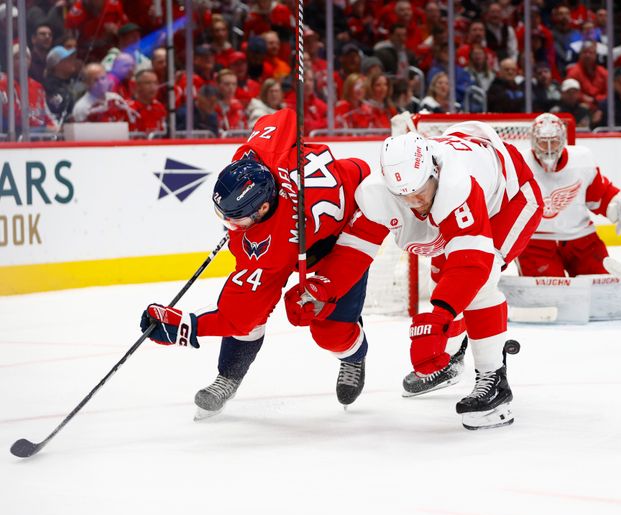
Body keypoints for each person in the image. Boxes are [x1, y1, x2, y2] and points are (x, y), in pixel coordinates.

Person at [283, 124, 544, 430]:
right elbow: (356, 248)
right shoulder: (378, 190)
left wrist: (438, 316)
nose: (415, 203)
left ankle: (494, 381)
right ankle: (452, 357)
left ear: (434, 172)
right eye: (403, 196)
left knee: (478, 286)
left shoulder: (457, 183)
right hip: (467, 183)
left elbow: (471, 264)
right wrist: (321, 287)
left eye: (420, 192)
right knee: (447, 282)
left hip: (509, 200)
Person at [139, 108, 372, 418]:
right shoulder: (257, 157)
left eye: (237, 218)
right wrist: (258, 157)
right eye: (223, 216)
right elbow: (288, 115)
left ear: (263, 208)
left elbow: (238, 317)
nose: (229, 225)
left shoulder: (273, 246)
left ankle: (353, 356)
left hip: (348, 230)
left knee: (329, 332)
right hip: (322, 204)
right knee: (255, 310)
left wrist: (187, 327)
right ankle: (229, 377)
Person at [517, 114, 621, 277]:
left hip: (581, 239)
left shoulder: (581, 159)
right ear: (534, 142)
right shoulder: (519, 163)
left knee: (601, 286)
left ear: (562, 140)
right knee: (545, 297)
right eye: (543, 142)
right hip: (536, 243)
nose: (549, 147)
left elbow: (599, 195)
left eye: (554, 141)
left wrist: (617, 203)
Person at [126, 69, 166, 134]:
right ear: (138, 86)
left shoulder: (159, 107)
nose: (153, 87)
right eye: (148, 83)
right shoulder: (127, 108)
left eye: (155, 83)